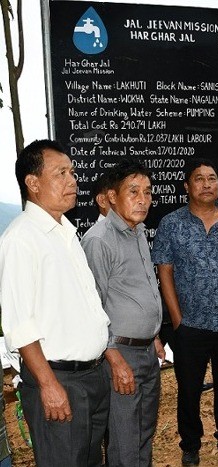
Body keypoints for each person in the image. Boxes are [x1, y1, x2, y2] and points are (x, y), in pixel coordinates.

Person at [0, 139, 110, 466]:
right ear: (33, 183)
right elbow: (20, 325)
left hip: (92, 377)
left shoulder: (65, 232)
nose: (73, 180)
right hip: (59, 381)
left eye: (72, 172)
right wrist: (48, 385)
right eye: (61, 173)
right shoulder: (22, 238)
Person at [152, 159, 218, 467]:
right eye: (199, 179)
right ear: (187, 186)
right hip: (190, 325)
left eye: (212, 178)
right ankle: (191, 443)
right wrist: (177, 318)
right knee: (189, 389)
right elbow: (165, 271)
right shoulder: (172, 223)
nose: (207, 183)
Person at [81, 159, 164, 466]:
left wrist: (154, 335)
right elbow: (94, 309)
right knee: (124, 440)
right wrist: (114, 359)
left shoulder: (138, 230)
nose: (143, 199)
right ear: (112, 196)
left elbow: (141, 289)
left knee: (144, 431)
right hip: (120, 356)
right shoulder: (99, 240)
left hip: (145, 352)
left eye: (148, 191)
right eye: (133, 191)